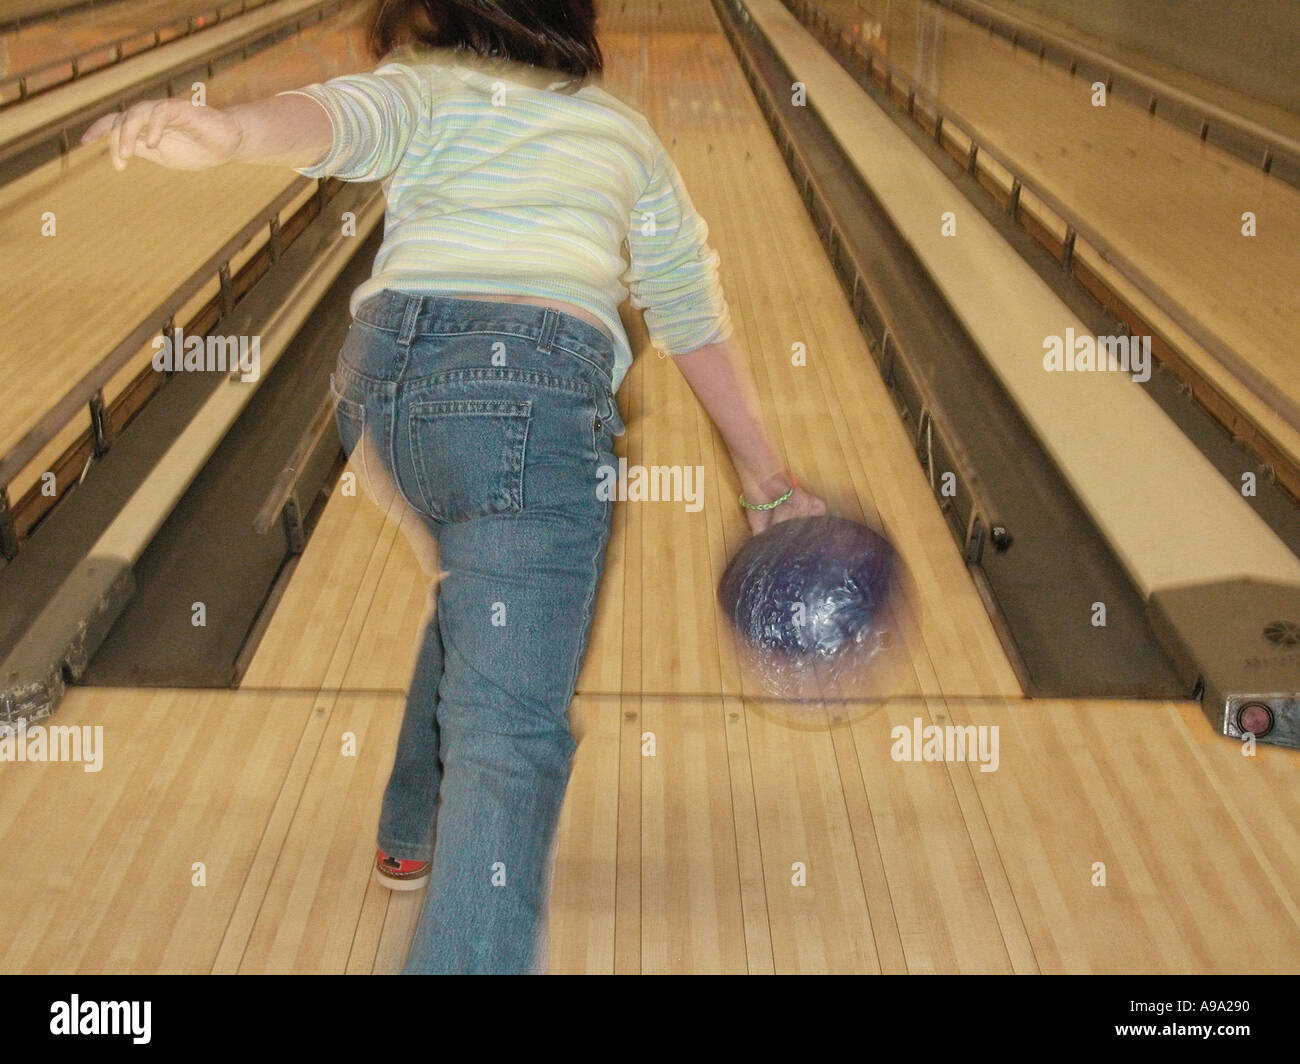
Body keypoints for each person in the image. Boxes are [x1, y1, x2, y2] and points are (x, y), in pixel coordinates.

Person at [82, 0, 827, 974]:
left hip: (386, 396)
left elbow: (338, 119)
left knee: (482, 599)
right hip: (528, 393)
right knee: (507, 739)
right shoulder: (622, 133)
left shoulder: (426, 89)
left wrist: (231, 131)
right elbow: (684, 306)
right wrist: (765, 481)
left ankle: (408, 821)